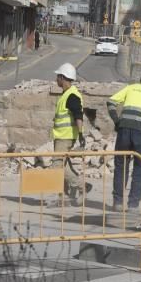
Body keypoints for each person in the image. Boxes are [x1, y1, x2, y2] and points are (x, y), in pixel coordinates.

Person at [106, 66, 141, 213]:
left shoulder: (131, 88)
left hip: (123, 130)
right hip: (140, 133)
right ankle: (133, 205)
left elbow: (110, 102)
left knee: (121, 165)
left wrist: (117, 121)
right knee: (140, 166)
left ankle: (117, 202)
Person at [52, 62, 87, 204]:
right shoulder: (66, 94)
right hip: (61, 136)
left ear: (63, 77)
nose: (56, 79)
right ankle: (62, 196)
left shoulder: (72, 96)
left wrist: (80, 135)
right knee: (64, 166)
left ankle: (80, 186)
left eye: (58, 77)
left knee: (57, 166)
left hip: (65, 137)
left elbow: (78, 115)